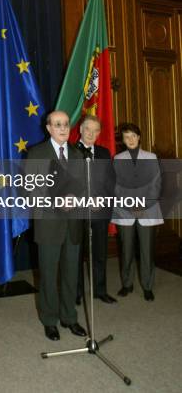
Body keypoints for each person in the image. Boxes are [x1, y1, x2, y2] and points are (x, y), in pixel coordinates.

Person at [27, 110, 87, 341]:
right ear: (49, 128)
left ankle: (70, 317)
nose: (63, 128)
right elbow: (30, 191)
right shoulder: (36, 153)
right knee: (49, 276)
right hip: (49, 225)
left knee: (71, 274)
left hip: (73, 225)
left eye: (66, 124)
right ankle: (49, 320)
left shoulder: (77, 155)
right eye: (57, 124)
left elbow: (82, 186)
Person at [112, 123, 163, 301]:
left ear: (139, 137)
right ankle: (127, 284)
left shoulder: (151, 157)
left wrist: (143, 205)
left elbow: (155, 185)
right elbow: (116, 186)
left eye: (133, 135)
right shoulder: (118, 159)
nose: (130, 140)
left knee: (147, 251)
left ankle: (147, 286)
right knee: (126, 250)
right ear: (123, 140)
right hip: (125, 211)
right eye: (126, 137)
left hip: (147, 211)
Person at [76, 115, 117, 304]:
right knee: (76, 255)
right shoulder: (70, 152)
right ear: (80, 130)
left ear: (99, 133)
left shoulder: (103, 152)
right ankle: (75, 293)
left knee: (100, 253)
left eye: (95, 130)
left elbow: (110, 181)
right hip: (78, 212)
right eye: (87, 129)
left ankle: (100, 290)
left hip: (100, 211)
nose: (91, 134)